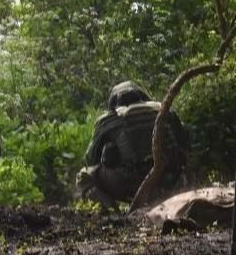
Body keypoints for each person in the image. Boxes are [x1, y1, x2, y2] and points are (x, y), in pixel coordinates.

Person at [75, 81, 188, 210]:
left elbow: (90, 158)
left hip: (132, 182)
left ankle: (113, 213)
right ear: (142, 95)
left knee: (83, 177)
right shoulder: (163, 108)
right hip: (171, 178)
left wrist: (110, 153)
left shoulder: (109, 118)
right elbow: (184, 141)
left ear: (114, 101)